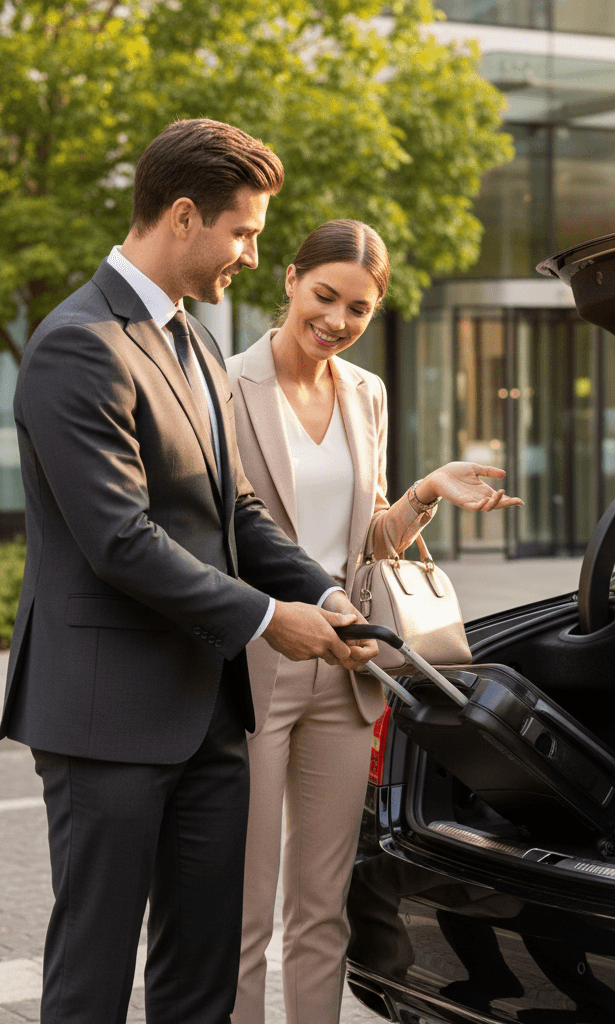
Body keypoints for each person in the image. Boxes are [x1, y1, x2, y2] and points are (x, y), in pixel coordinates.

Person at [0, 121, 378, 1024]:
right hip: (105, 715)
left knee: (203, 976)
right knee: (92, 978)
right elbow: (120, 540)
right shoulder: (77, 343)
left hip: (208, 713)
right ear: (181, 216)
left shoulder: (198, 345)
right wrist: (268, 619)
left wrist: (324, 593)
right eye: (243, 232)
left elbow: (237, 513)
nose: (252, 255)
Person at [225, 218, 523, 1024]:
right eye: (324, 296)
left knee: (324, 907)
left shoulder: (367, 393)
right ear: (290, 279)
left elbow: (369, 544)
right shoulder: (223, 385)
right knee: (242, 912)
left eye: (358, 308)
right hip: (256, 659)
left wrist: (425, 494)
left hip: (347, 665)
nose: (337, 320)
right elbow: (224, 538)